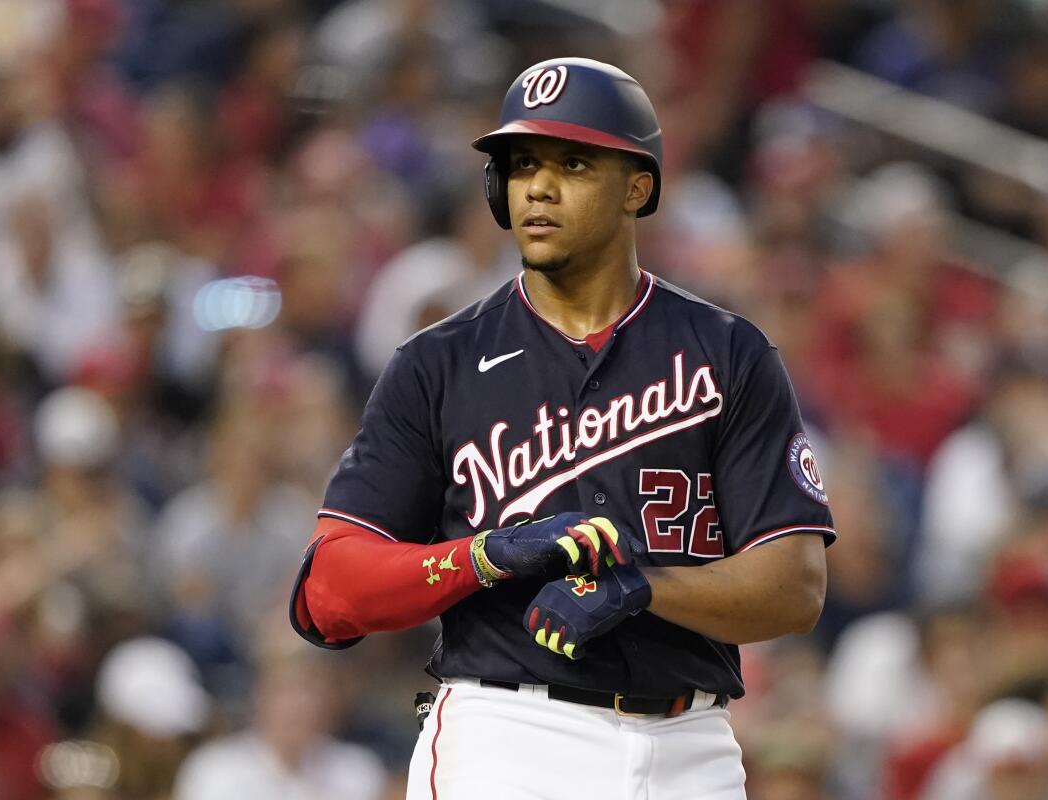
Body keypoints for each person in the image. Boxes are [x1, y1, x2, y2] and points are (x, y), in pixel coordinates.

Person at [289, 57, 836, 799]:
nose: (538, 186)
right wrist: (484, 556)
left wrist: (640, 588)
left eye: (572, 163)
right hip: (511, 738)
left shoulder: (726, 352)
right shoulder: (438, 363)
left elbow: (795, 587)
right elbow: (327, 593)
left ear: (637, 187)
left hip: (692, 746)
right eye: (521, 165)